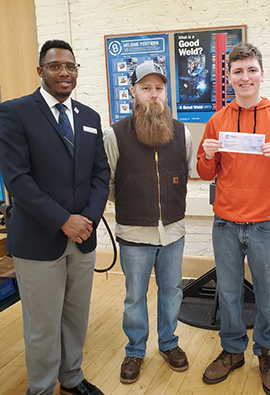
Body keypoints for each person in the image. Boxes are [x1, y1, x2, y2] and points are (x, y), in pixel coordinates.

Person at [0, 40, 110, 395]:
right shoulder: (15, 113)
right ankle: (41, 389)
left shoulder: (89, 117)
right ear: (41, 70)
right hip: (38, 239)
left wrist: (86, 219)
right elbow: (17, 179)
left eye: (71, 66)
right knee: (43, 325)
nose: (65, 72)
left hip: (82, 238)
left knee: (75, 318)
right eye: (56, 66)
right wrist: (64, 220)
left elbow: (101, 174)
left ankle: (72, 379)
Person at [197, 43, 270, 395]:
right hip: (226, 224)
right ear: (229, 77)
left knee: (267, 295)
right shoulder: (218, 121)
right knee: (228, 293)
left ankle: (267, 351)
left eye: (251, 70)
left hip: (265, 225)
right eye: (238, 71)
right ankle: (232, 351)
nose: (245, 77)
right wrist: (208, 156)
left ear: (262, 74)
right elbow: (203, 171)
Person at [103, 61, 193, 384]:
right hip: (133, 233)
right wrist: (135, 202)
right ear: (133, 92)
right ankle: (136, 350)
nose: (153, 95)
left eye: (158, 88)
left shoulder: (182, 133)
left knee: (172, 291)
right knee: (134, 296)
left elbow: (186, 171)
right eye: (145, 89)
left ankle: (169, 343)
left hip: (173, 232)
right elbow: (109, 184)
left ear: (165, 93)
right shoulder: (115, 134)